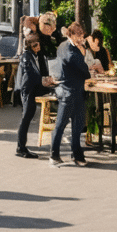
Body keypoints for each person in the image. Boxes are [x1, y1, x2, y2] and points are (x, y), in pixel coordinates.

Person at [48, 23, 92, 167]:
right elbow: (85, 71)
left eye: (82, 35)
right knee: (61, 124)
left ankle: (76, 154)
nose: (81, 38)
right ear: (70, 35)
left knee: (77, 125)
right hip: (68, 91)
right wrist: (83, 53)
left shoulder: (63, 46)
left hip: (75, 90)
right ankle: (54, 155)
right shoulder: (70, 50)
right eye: (78, 35)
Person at [14, 33, 54, 158]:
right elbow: (30, 71)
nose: (38, 46)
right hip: (28, 89)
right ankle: (21, 148)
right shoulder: (26, 56)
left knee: (28, 116)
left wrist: (47, 80)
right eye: (35, 45)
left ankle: (21, 147)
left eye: (38, 44)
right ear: (30, 46)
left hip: (36, 87)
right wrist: (43, 79)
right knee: (27, 116)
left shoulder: (38, 55)